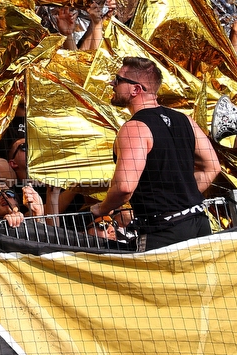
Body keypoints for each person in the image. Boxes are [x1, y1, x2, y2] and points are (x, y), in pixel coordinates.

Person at [89, 56, 221, 251]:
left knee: (155, 283)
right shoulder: (185, 120)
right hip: (199, 225)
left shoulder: (134, 128)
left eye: (118, 79)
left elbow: (124, 187)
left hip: (163, 233)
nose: (112, 83)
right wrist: (179, 198)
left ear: (136, 89)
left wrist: (102, 209)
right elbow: (213, 167)